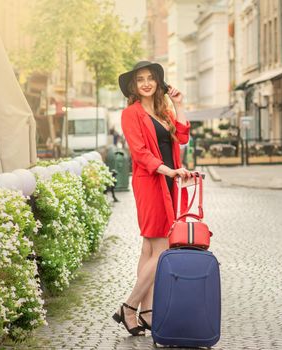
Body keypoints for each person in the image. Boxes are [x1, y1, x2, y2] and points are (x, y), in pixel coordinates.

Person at [112, 61, 192, 335]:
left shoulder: (163, 110)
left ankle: (146, 312)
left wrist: (179, 104)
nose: (146, 83)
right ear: (133, 86)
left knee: (149, 248)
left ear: (159, 82)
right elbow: (140, 152)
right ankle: (129, 306)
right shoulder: (130, 114)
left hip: (169, 182)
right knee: (164, 247)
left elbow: (181, 138)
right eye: (140, 79)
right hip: (151, 182)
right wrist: (168, 169)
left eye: (150, 78)